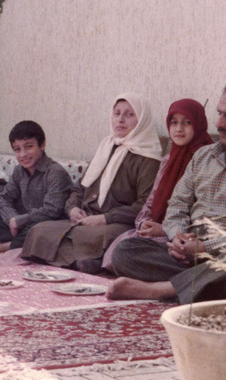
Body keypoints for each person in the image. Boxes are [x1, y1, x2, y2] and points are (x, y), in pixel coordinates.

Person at [108, 80, 226, 304]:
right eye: (219, 113)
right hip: (187, 253)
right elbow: (177, 204)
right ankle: (197, 286)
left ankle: (161, 290)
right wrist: (178, 238)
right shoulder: (203, 156)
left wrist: (206, 247)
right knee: (125, 251)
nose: (219, 123)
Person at [20, 93, 162, 272]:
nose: (120, 120)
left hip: (116, 223)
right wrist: (72, 208)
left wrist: (105, 218)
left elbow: (144, 205)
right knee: (39, 230)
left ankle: (82, 261)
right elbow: (80, 187)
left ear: (141, 120)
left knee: (102, 236)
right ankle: (84, 261)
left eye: (129, 114)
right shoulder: (106, 147)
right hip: (86, 218)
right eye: (117, 113)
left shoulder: (148, 158)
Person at [100, 99, 214, 271]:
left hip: (185, 236)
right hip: (158, 229)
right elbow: (151, 200)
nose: (179, 129)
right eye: (174, 122)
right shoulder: (168, 161)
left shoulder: (208, 160)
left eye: (187, 122)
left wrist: (165, 230)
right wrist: (143, 223)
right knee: (123, 245)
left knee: (133, 252)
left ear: (199, 125)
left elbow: (202, 212)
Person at [0, 120, 73, 251]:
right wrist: (12, 219)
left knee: (40, 228)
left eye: (28, 147)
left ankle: (4, 246)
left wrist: (20, 221)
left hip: (47, 224)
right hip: (22, 225)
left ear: (42, 145)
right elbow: (4, 198)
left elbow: (52, 210)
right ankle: (22, 242)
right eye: (17, 149)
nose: (23, 154)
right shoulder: (19, 171)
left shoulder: (54, 172)